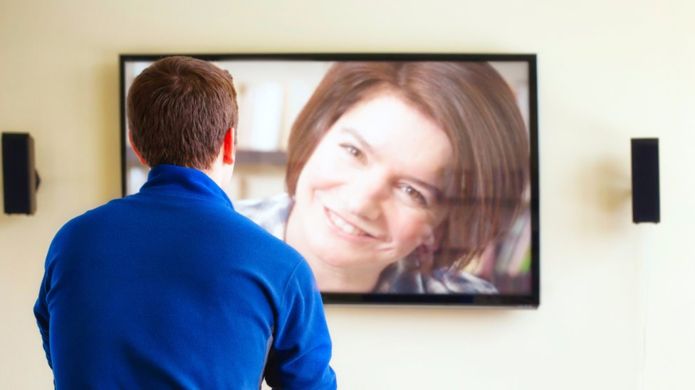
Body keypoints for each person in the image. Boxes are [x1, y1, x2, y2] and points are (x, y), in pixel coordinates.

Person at [33, 56, 336, 389]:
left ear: (136, 145)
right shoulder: (280, 265)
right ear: (228, 144)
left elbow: (57, 346)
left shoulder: (72, 242)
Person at [238, 61, 530, 294]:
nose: (359, 204)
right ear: (317, 134)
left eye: (412, 191)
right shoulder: (196, 244)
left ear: (444, 224)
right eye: (353, 151)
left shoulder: (470, 314)